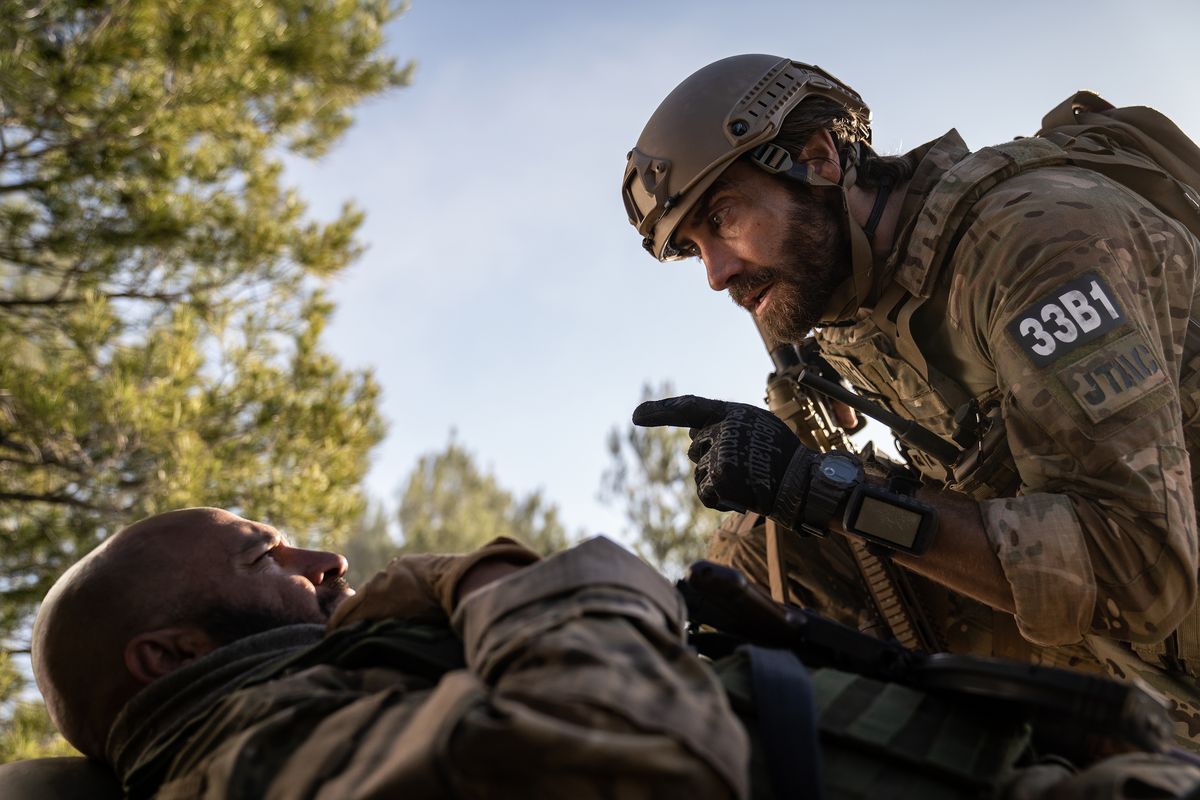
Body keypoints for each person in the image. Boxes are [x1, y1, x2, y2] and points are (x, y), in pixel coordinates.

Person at [621, 53, 1200, 748]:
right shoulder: (853, 289)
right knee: (753, 561)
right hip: (1134, 647)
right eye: (694, 247)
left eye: (723, 216)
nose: (716, 275)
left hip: (1156, 594)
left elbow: (1139, 573)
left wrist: (828, 491)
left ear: (819, 158)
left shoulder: (1035, 247)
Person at [29, 507, 748, 798]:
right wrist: (483, 580)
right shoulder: (251, 764)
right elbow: (634, 751)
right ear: (169, 656)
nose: (330, 559)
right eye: (264, 558)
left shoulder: (299, 711)